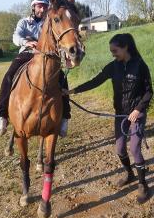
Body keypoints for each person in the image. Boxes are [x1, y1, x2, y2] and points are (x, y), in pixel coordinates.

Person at [63, 33, 153, 203]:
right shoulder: (113, 67)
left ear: (126, 47)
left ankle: (143, 184)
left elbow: (149, 92)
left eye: (115, 50)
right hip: (120, 114)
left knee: (134, 149)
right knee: (119, 149)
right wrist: (72, 91)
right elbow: (95, 81)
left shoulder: (140, 66)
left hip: (137, 114)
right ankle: (129, 173)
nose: (112, 54)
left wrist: (138, 109)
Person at [0, 0, 70, 137]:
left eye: (45, 6)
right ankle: (2, 115)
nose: (42, 9)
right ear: (33, 7)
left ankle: (65, 117)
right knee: (9, 76)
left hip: (47, 57)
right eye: (40, 6)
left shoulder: (50, 21)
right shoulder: (24, 22)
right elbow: (16, 36)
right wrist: (26, 42)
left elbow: (58, 38)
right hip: (27, 53)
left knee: (62, 80)